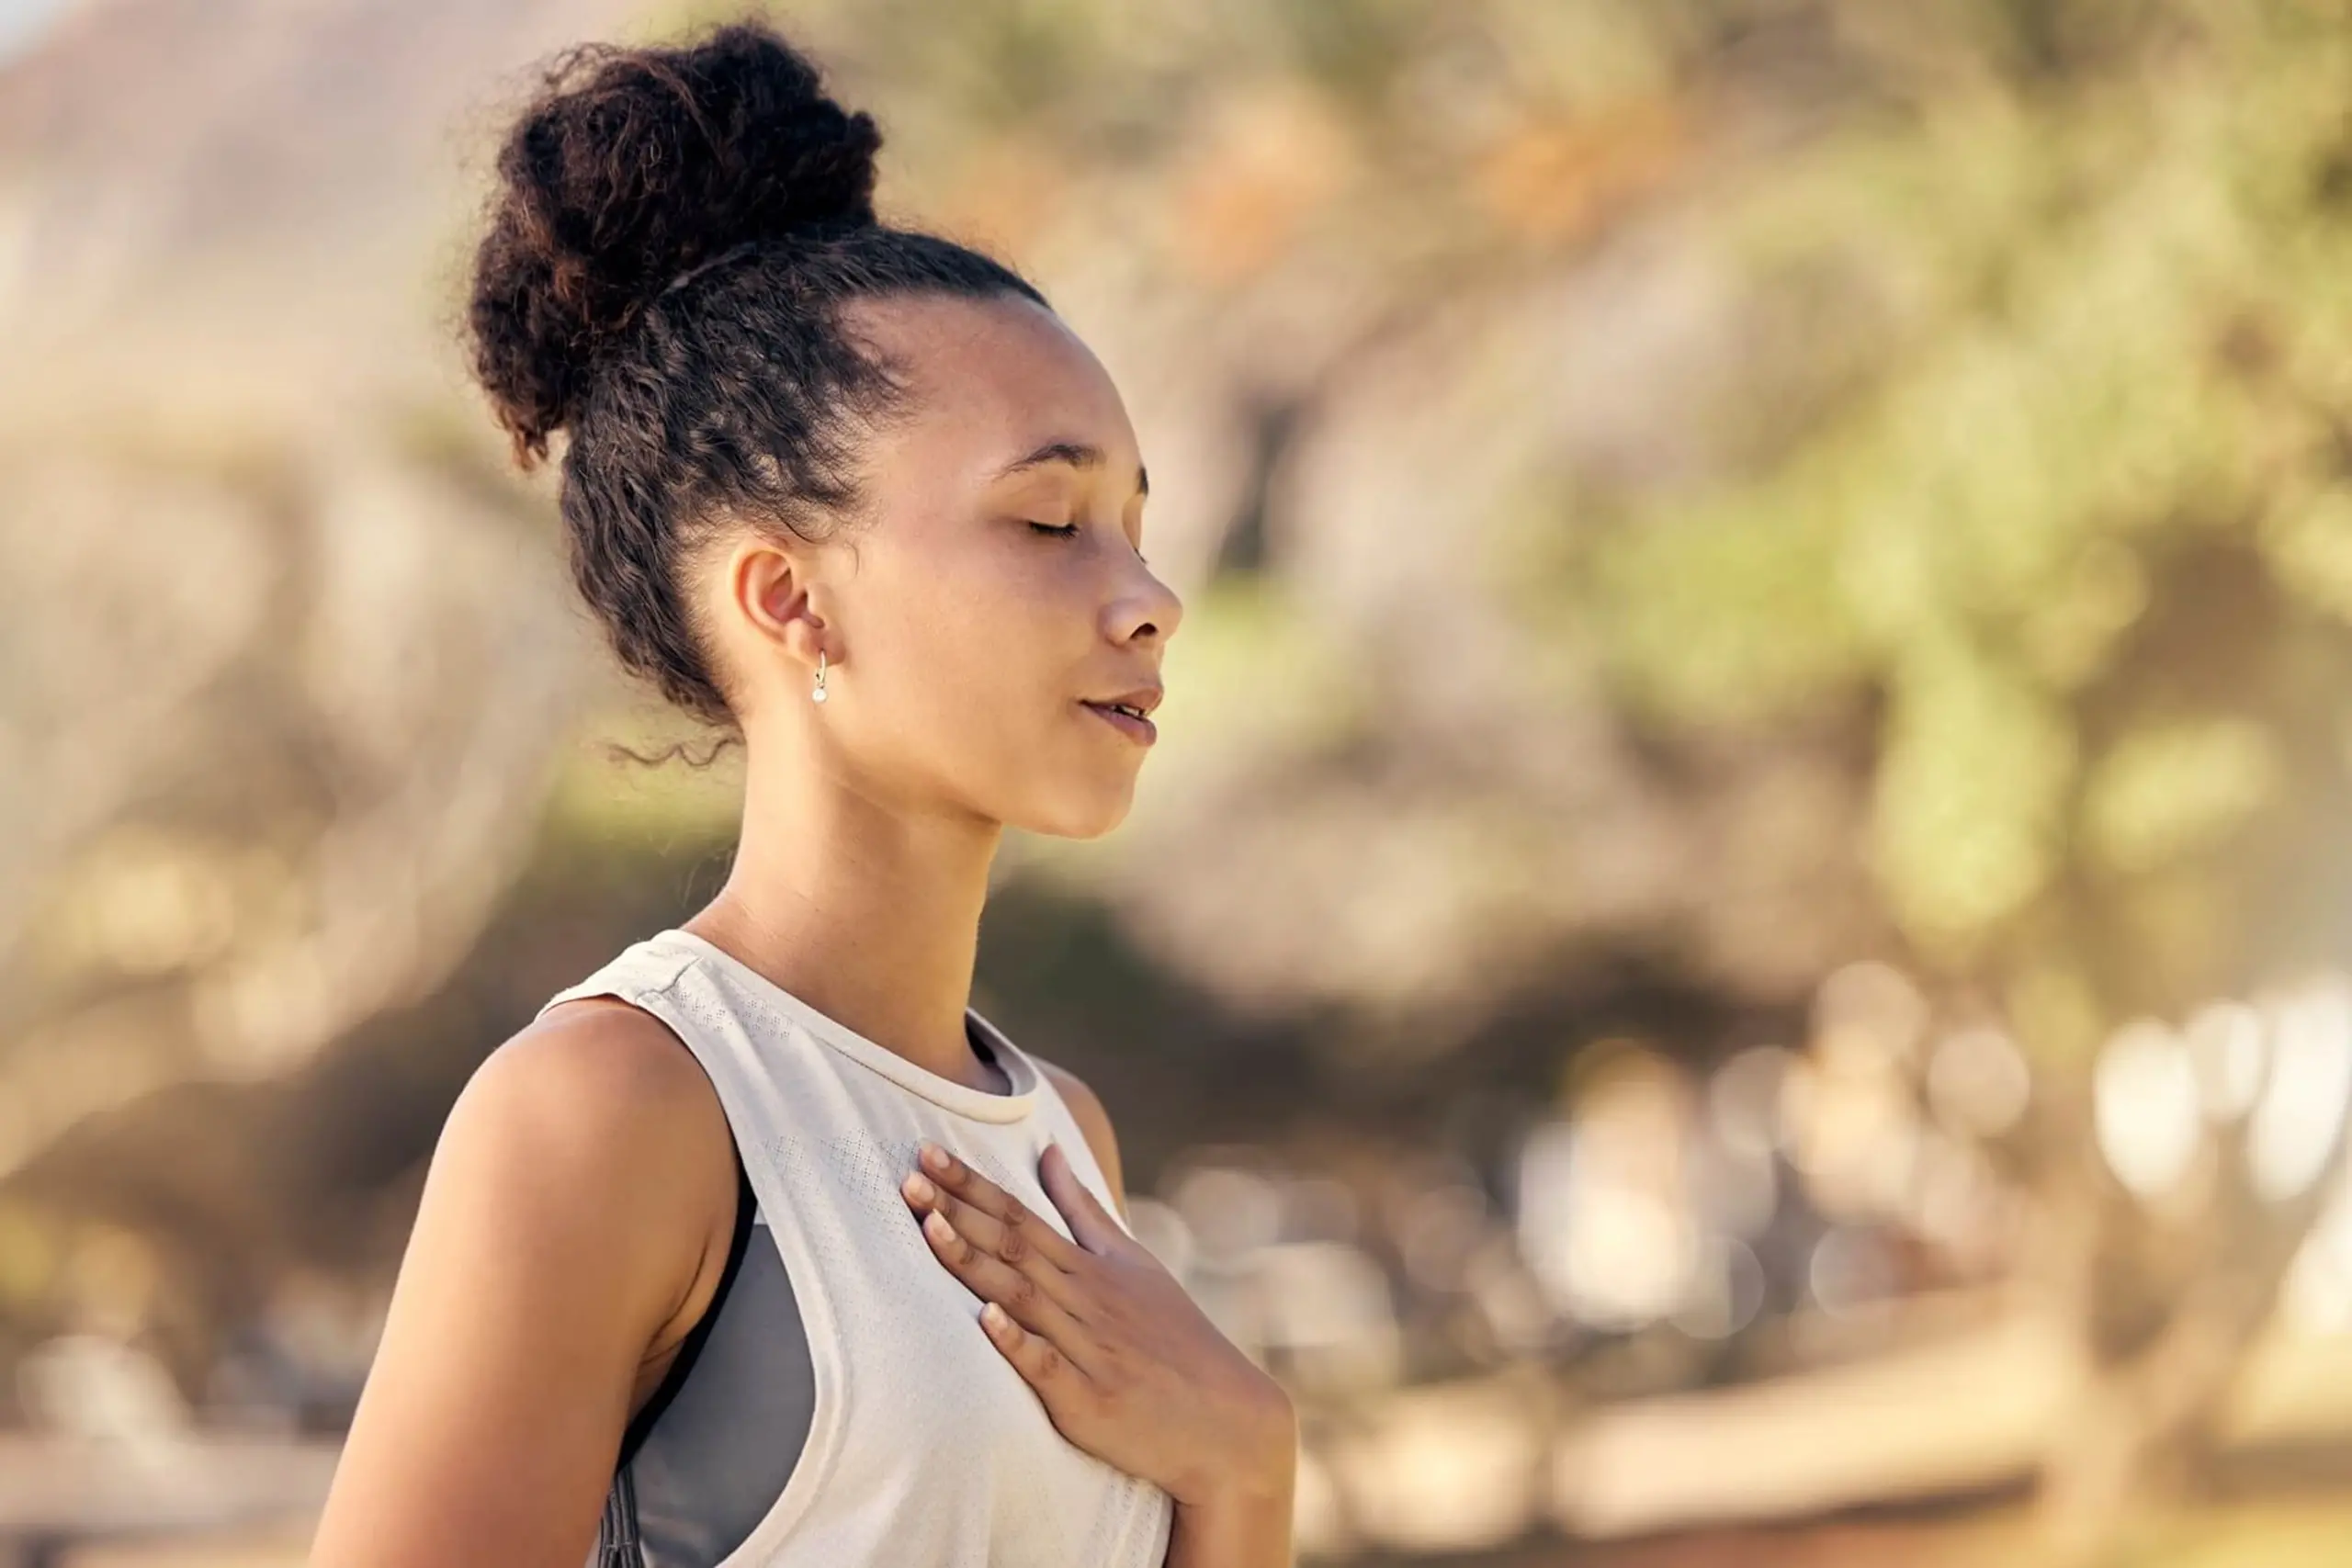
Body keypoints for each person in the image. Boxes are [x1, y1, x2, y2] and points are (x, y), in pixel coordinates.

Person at [306, 17, 1297, 1568]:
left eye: (1132, 523)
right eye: (1049, 523)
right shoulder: (615, 1114)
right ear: (789, 601)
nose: (1148, 595)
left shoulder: (1060, 1144)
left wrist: (1245, 1470)